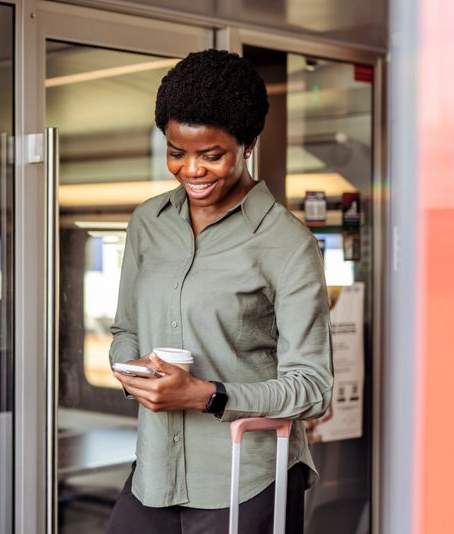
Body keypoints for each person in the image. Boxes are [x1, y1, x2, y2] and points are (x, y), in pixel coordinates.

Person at [106, 49, 333, 534]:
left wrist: (205, 395)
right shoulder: (148, 222)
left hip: (247, 478)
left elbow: (313, 389)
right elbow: (126, 328)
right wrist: (131, 374)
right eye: (176, 152)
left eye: (212, 155)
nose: (191, 170)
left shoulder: (287, 243)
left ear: (249, 143)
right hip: (154, 471)